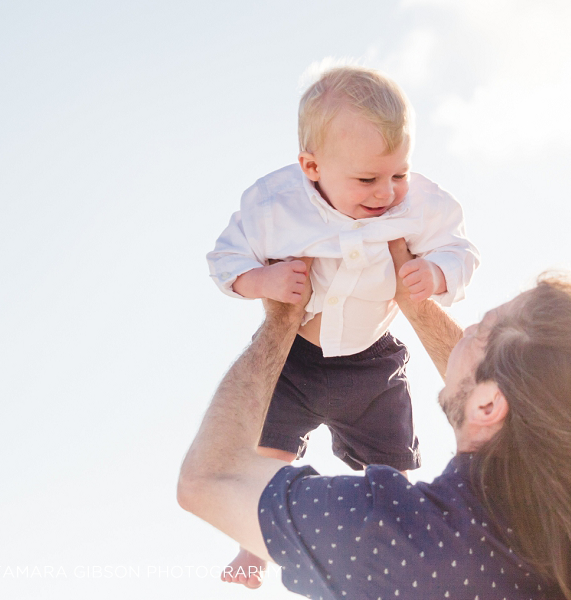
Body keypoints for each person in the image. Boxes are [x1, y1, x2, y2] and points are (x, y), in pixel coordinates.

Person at [178, 241, 571, 599]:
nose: (467, 328)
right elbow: (506, 401)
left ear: (487, 408)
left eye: (479, 328)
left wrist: (280, 325)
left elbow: (209, 480)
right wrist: (416, 306)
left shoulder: (401, 534)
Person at [205, 66, 479, 585]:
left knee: (393, 467)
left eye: (398, 173)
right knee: (271, 452)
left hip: (373, 362)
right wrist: (262, 280)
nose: (386, 192)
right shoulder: (274, 206)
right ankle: (253, 546)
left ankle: (402, 547)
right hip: (297, 360)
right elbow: (225, 261)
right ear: (312, 166)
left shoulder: (423, 204)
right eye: (367, 179)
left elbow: (462, 252)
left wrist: (436, 273)